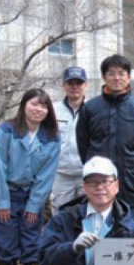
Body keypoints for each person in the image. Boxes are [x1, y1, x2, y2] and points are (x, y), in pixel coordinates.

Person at [0, 88, 60, 265]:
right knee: (6, 242)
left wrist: (34, 204)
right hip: (2, 192)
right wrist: (2, 202)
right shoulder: (6, 131)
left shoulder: (51, 137)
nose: (39, 109)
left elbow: (47, 175)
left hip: (30, 195)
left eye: (44, 106)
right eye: (34, 104)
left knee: (31, 239)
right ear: (24, 105)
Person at [76, 54, 134, 229]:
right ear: (104, 77)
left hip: (132, 181)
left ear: (129, 77)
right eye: (111, 73)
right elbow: (83, 144)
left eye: (121, 73)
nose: (117, 78)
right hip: (100, 184)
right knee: (101, 235)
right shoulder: (90, 108)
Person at [50, 66, 87, 213]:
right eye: (70, 83)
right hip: (60, 174)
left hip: (86, 174)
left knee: (87, 215)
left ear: (86, 85)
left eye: (79, 83)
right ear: (64, 85)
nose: (75, 87)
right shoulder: (52, 110)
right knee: (60, 215)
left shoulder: (93, 109)